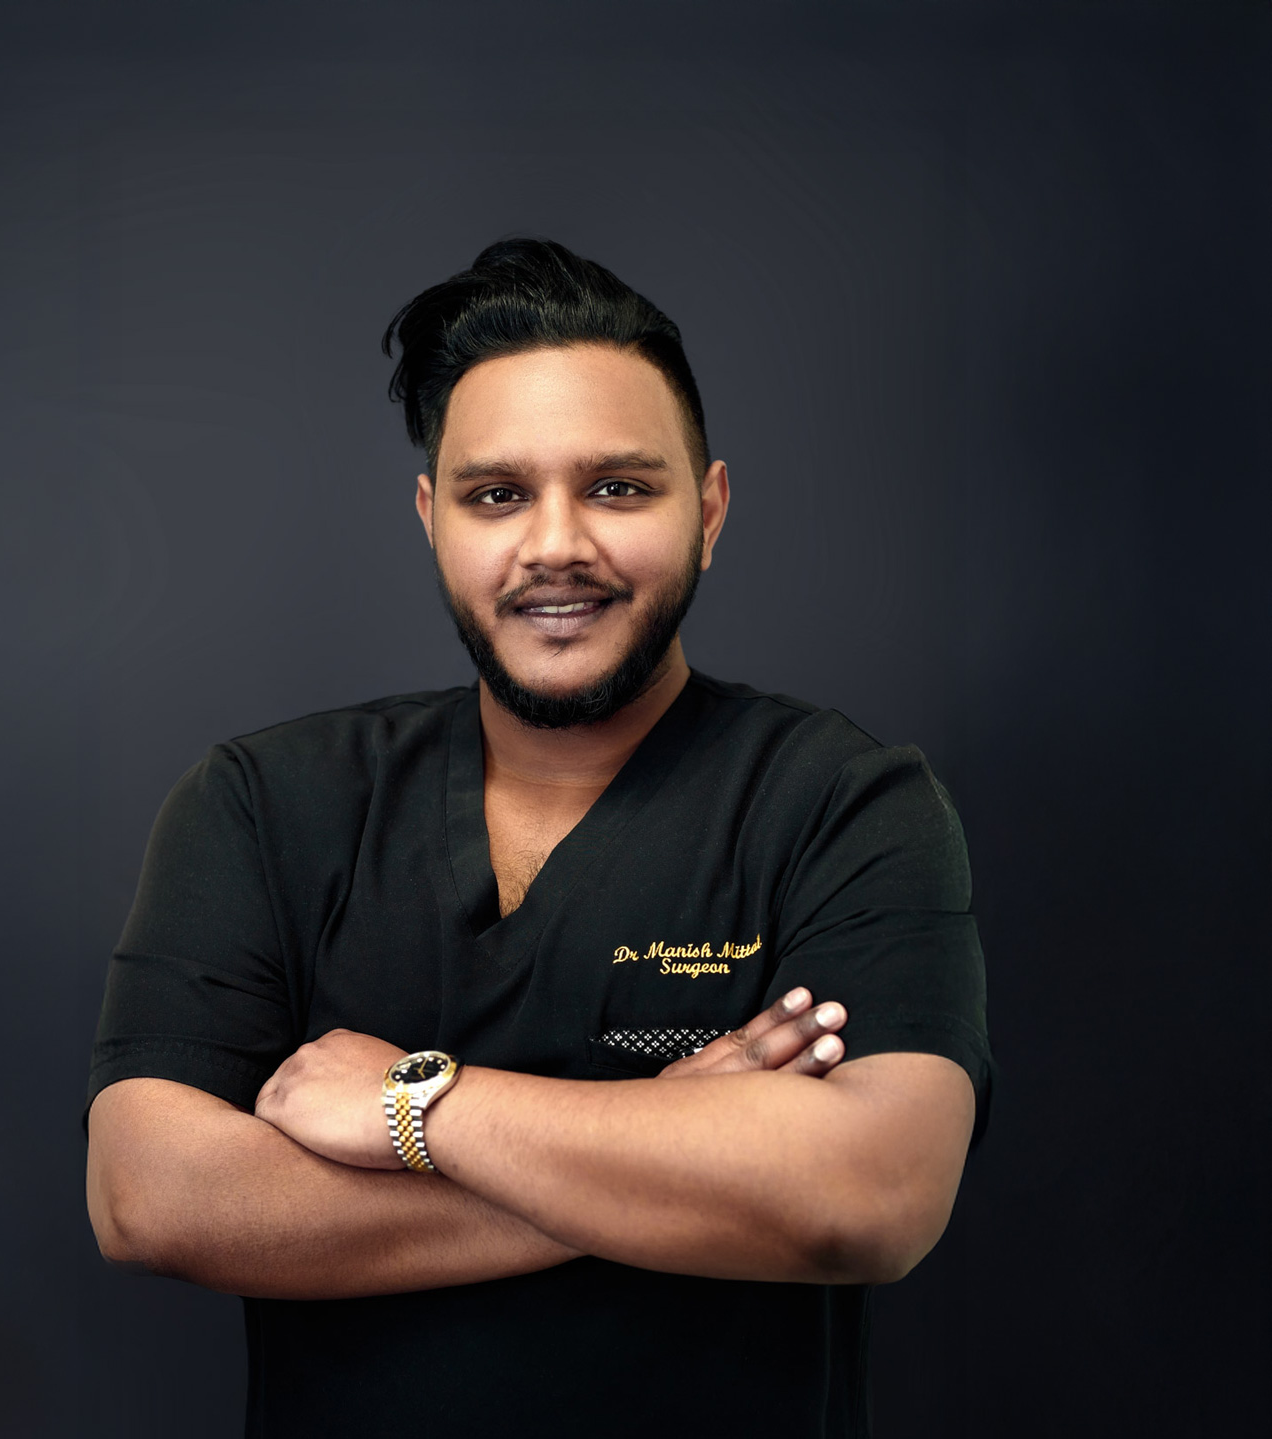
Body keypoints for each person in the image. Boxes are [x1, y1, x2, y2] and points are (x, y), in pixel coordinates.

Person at [84, 237, 991, 1438]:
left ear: (710, 510)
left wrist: (422, 1105)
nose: (555, 542)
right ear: (431, 518)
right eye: (497, 493)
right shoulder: (265, 802)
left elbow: (868, 1195)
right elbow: (150, 1195)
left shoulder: (843, 801)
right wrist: (669, 1143)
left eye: (619, 486)